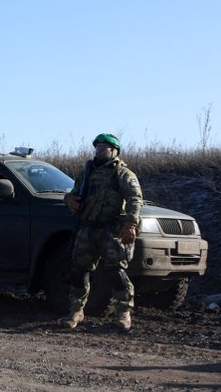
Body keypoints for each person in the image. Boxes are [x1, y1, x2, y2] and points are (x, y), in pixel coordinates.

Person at [62, 133, 143, 332]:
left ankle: (123, 312)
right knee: (79, 271)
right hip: (88, 227)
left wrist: (131, 223)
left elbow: (135, 199)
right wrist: (68, 199)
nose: (100, 149)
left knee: (116, 272)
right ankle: (76, 310)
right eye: (97, 146)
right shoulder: (86, 173)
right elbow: (75, 193)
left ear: (114, 151)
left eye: (105, 147)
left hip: (111, 230)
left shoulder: (123, 174)